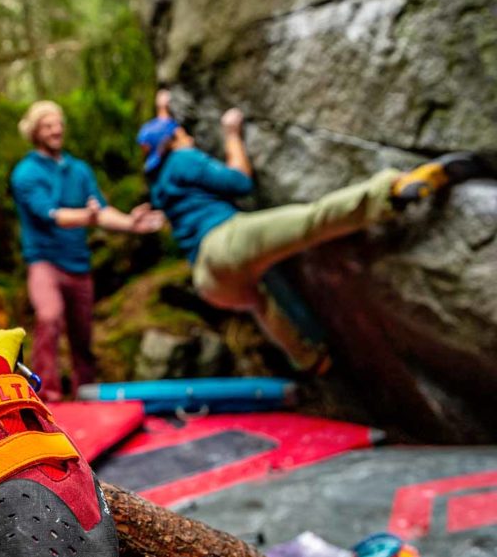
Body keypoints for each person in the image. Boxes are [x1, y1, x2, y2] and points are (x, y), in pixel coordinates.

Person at [137, 97, 489, 372]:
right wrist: (231, 135)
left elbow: (157, 140)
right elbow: (240, 182)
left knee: (261, 303)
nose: (190, 136)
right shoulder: (182, 159)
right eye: (181, 134)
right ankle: (394, 191)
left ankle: (309, 360)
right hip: (226, 242)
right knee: (313, 221)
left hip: (211, 282)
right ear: (172, 142)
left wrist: (163, 109)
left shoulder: (158, 184)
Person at [12, 100, 163, 400]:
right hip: (45, 262)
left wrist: (132, 223)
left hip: (78, 264)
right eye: (48, 125)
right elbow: (52, 214)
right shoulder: (25, 173)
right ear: (35, 132)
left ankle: (86, 393)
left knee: (83, 336)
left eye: (59, 124)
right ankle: (46, 394)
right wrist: (88, 216)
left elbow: (101, 211)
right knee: (49, 316)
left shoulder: (79, 170)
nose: (56, 130)